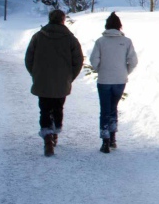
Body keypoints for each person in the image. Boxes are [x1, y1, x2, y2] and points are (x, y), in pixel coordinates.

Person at [24, 8, 84, 157]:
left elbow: (28, 59)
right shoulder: (70, 39)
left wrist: (35, 74)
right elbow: (78, 61)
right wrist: (70, 77)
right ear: (63, 20)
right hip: (62, 81)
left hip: (42, 80)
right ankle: (55, 133)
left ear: (50, 19)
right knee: (58, 107)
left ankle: (47, 140)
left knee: (44, 109)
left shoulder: (38, 37)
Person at [88, 12, 138, 154]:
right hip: (120, 80)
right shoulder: (127, 41)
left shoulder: (100, 41)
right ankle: (113, 137)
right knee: (113, 107)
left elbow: (94, 60)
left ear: (106, 26)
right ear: (119, 26)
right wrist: (125, 71)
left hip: (104, 80)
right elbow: (133, 61)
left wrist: (100, 69)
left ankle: (105, 141)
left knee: (105, 109)